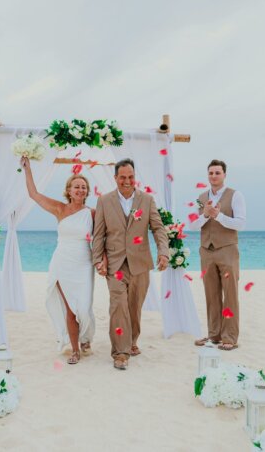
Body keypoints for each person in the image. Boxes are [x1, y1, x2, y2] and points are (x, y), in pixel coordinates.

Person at [92, 158, 169, 370]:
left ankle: (132, 341)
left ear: (135, 177)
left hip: (140, 263)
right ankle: (120, 353)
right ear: (115, 178)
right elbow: (98, 234)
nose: (127, 181)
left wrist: (163, 252)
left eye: (131, 177)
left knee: (134, 308)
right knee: (118, 306)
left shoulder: (147, 200)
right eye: (123, 177)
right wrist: (98, 260)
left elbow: (158, 228)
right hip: (115, 264)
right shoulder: (104, 201)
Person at [22, 156, 96, 365]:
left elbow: (103, 237)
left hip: (84, 263)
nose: (80, 190)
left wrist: (104, 260)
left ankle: (86, 337)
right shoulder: (59, 209)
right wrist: (27, 169)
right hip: (62, 262)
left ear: (87, 192)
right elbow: (34, 194)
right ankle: (75, 349)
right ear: (69, 190)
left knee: (85, 306)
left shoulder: (92, 213)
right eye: (76, 187)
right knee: (71, 309)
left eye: (83, 187)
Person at [189, 159, 246, 351]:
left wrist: (218, 216)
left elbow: (240, 223)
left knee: (230, 293)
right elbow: (193, 225)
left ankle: (229, 337)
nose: (214, 176)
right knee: (211, 294)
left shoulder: (235, 195)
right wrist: (205, 214)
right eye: (211, 173)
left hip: (227, 249)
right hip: (206, 251)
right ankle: (214, 335)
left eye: (217, 172)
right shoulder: (201, 196)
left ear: (224, 175)